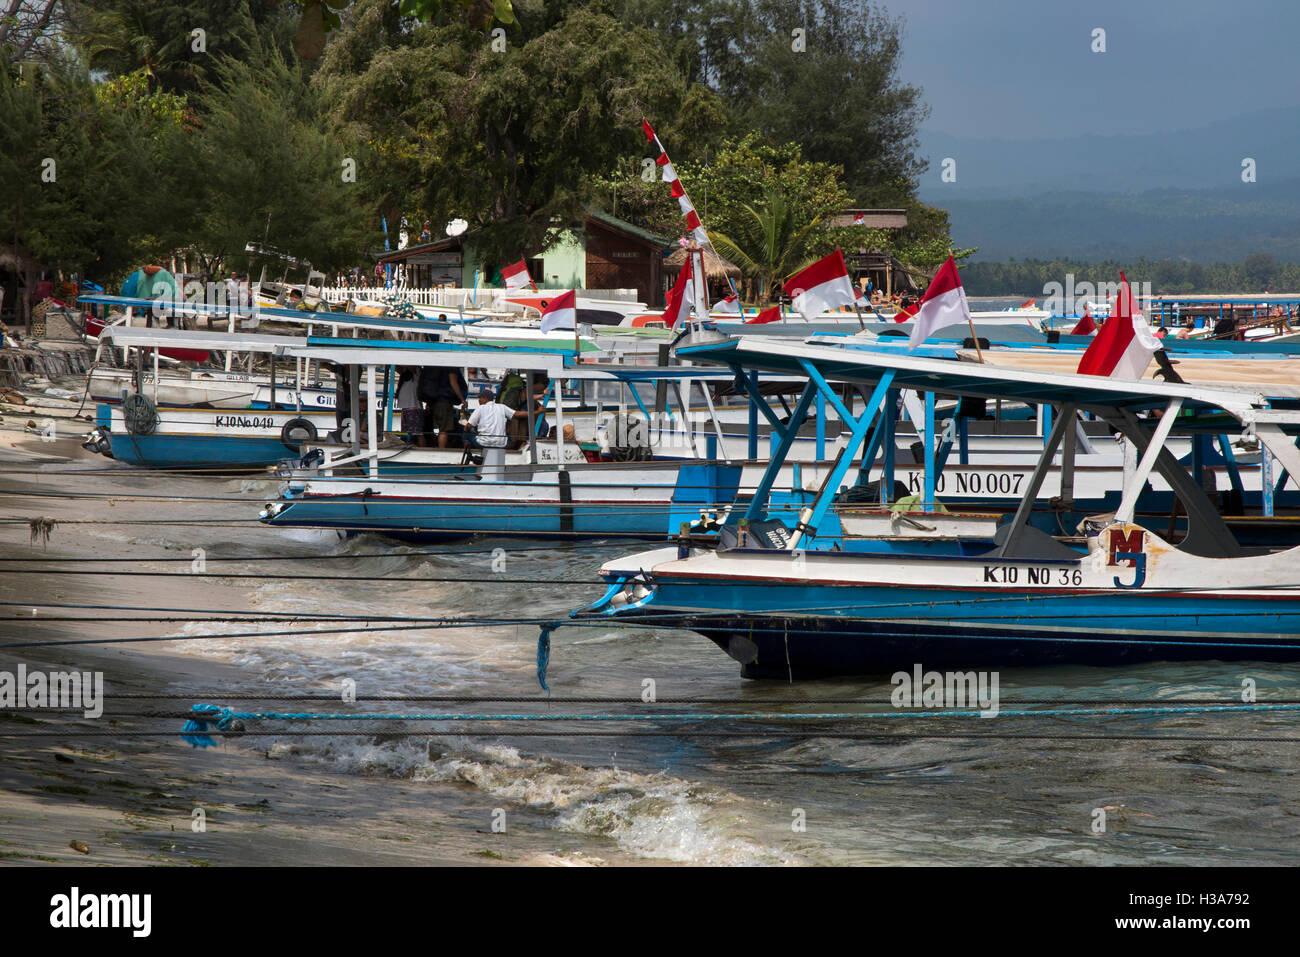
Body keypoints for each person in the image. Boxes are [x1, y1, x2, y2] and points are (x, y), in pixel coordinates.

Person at [420, 365, 466, 448]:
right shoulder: (452, 366)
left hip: (433, 401)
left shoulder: (436, 366)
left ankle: (436, 447)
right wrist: (462, 399)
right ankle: (442, 451)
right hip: (444, 401)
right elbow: (453, 383)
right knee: (444, 430)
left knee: (436, 427)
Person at [396, 368, 424, 445]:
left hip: (413, 407)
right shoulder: (405, 374)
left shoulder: (415, 372)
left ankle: (422, 449)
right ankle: (409, 446)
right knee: (407, 433)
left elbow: (412, 367)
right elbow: (398, 368)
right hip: (406, 407)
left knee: (418, 433)